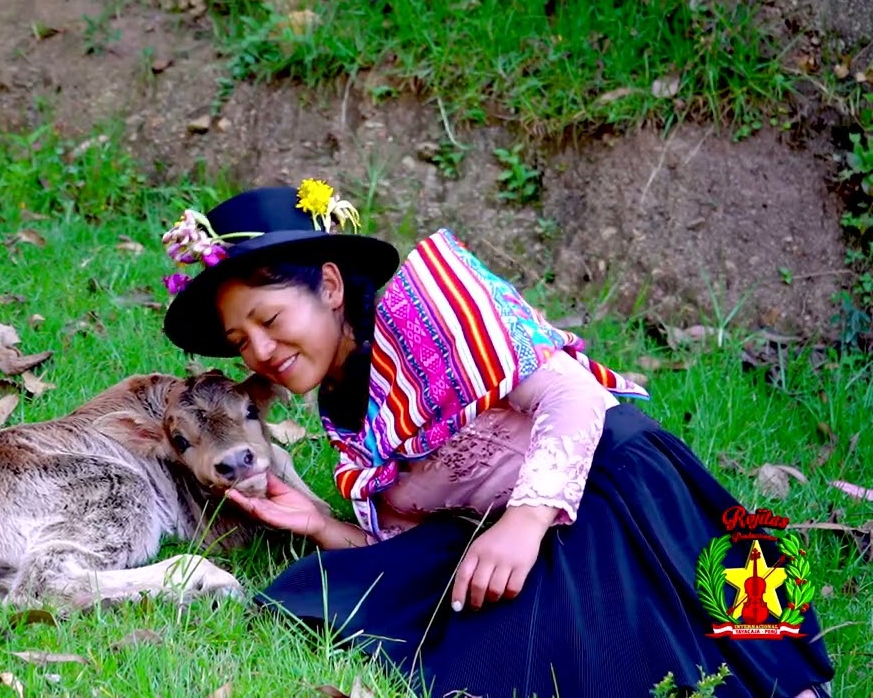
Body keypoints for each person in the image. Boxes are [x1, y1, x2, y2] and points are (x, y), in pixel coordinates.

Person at [158, 181, 836, 698]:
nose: (261, 351)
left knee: (579, 652)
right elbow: (415, 544)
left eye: (271, 319)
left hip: (611, 488)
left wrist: (526, 520)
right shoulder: (344, 410)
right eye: (241, 340)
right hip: (506, 527)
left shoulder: (429, 306)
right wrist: (318, 524)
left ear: (329, 286)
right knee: (323, 590)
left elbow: (574, 395)